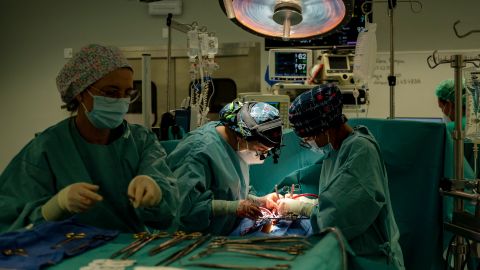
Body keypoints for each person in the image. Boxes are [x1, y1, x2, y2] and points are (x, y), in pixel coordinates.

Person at [0, 44, 178, 233]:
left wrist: (155, 191)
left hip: (129, 249)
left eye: (127, 93)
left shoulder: (141, 141)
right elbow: (8, 218)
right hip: (65, 250)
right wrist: (55, 206)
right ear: (80, 92)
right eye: (111, 92)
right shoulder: (47, 147)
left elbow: (169, 213)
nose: (120, 101)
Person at [278, 84, 405, 269]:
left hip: (369, 260)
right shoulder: (334, 151)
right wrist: (312, 203)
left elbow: (337, 217)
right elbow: (339, 199)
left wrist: (303, 208)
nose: (309, 142)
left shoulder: (361, 151)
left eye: (309, 137)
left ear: (325, 128)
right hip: (348, 253)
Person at [167, 101, 283, 235]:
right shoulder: (198, 152)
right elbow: (181, 209)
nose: (264, 155)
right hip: (188, 241)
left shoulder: (235, 147)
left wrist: (260, 201)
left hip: (219, 237)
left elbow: (228, 192)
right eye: (261, 149)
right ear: (241, 137)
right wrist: (231, 208)